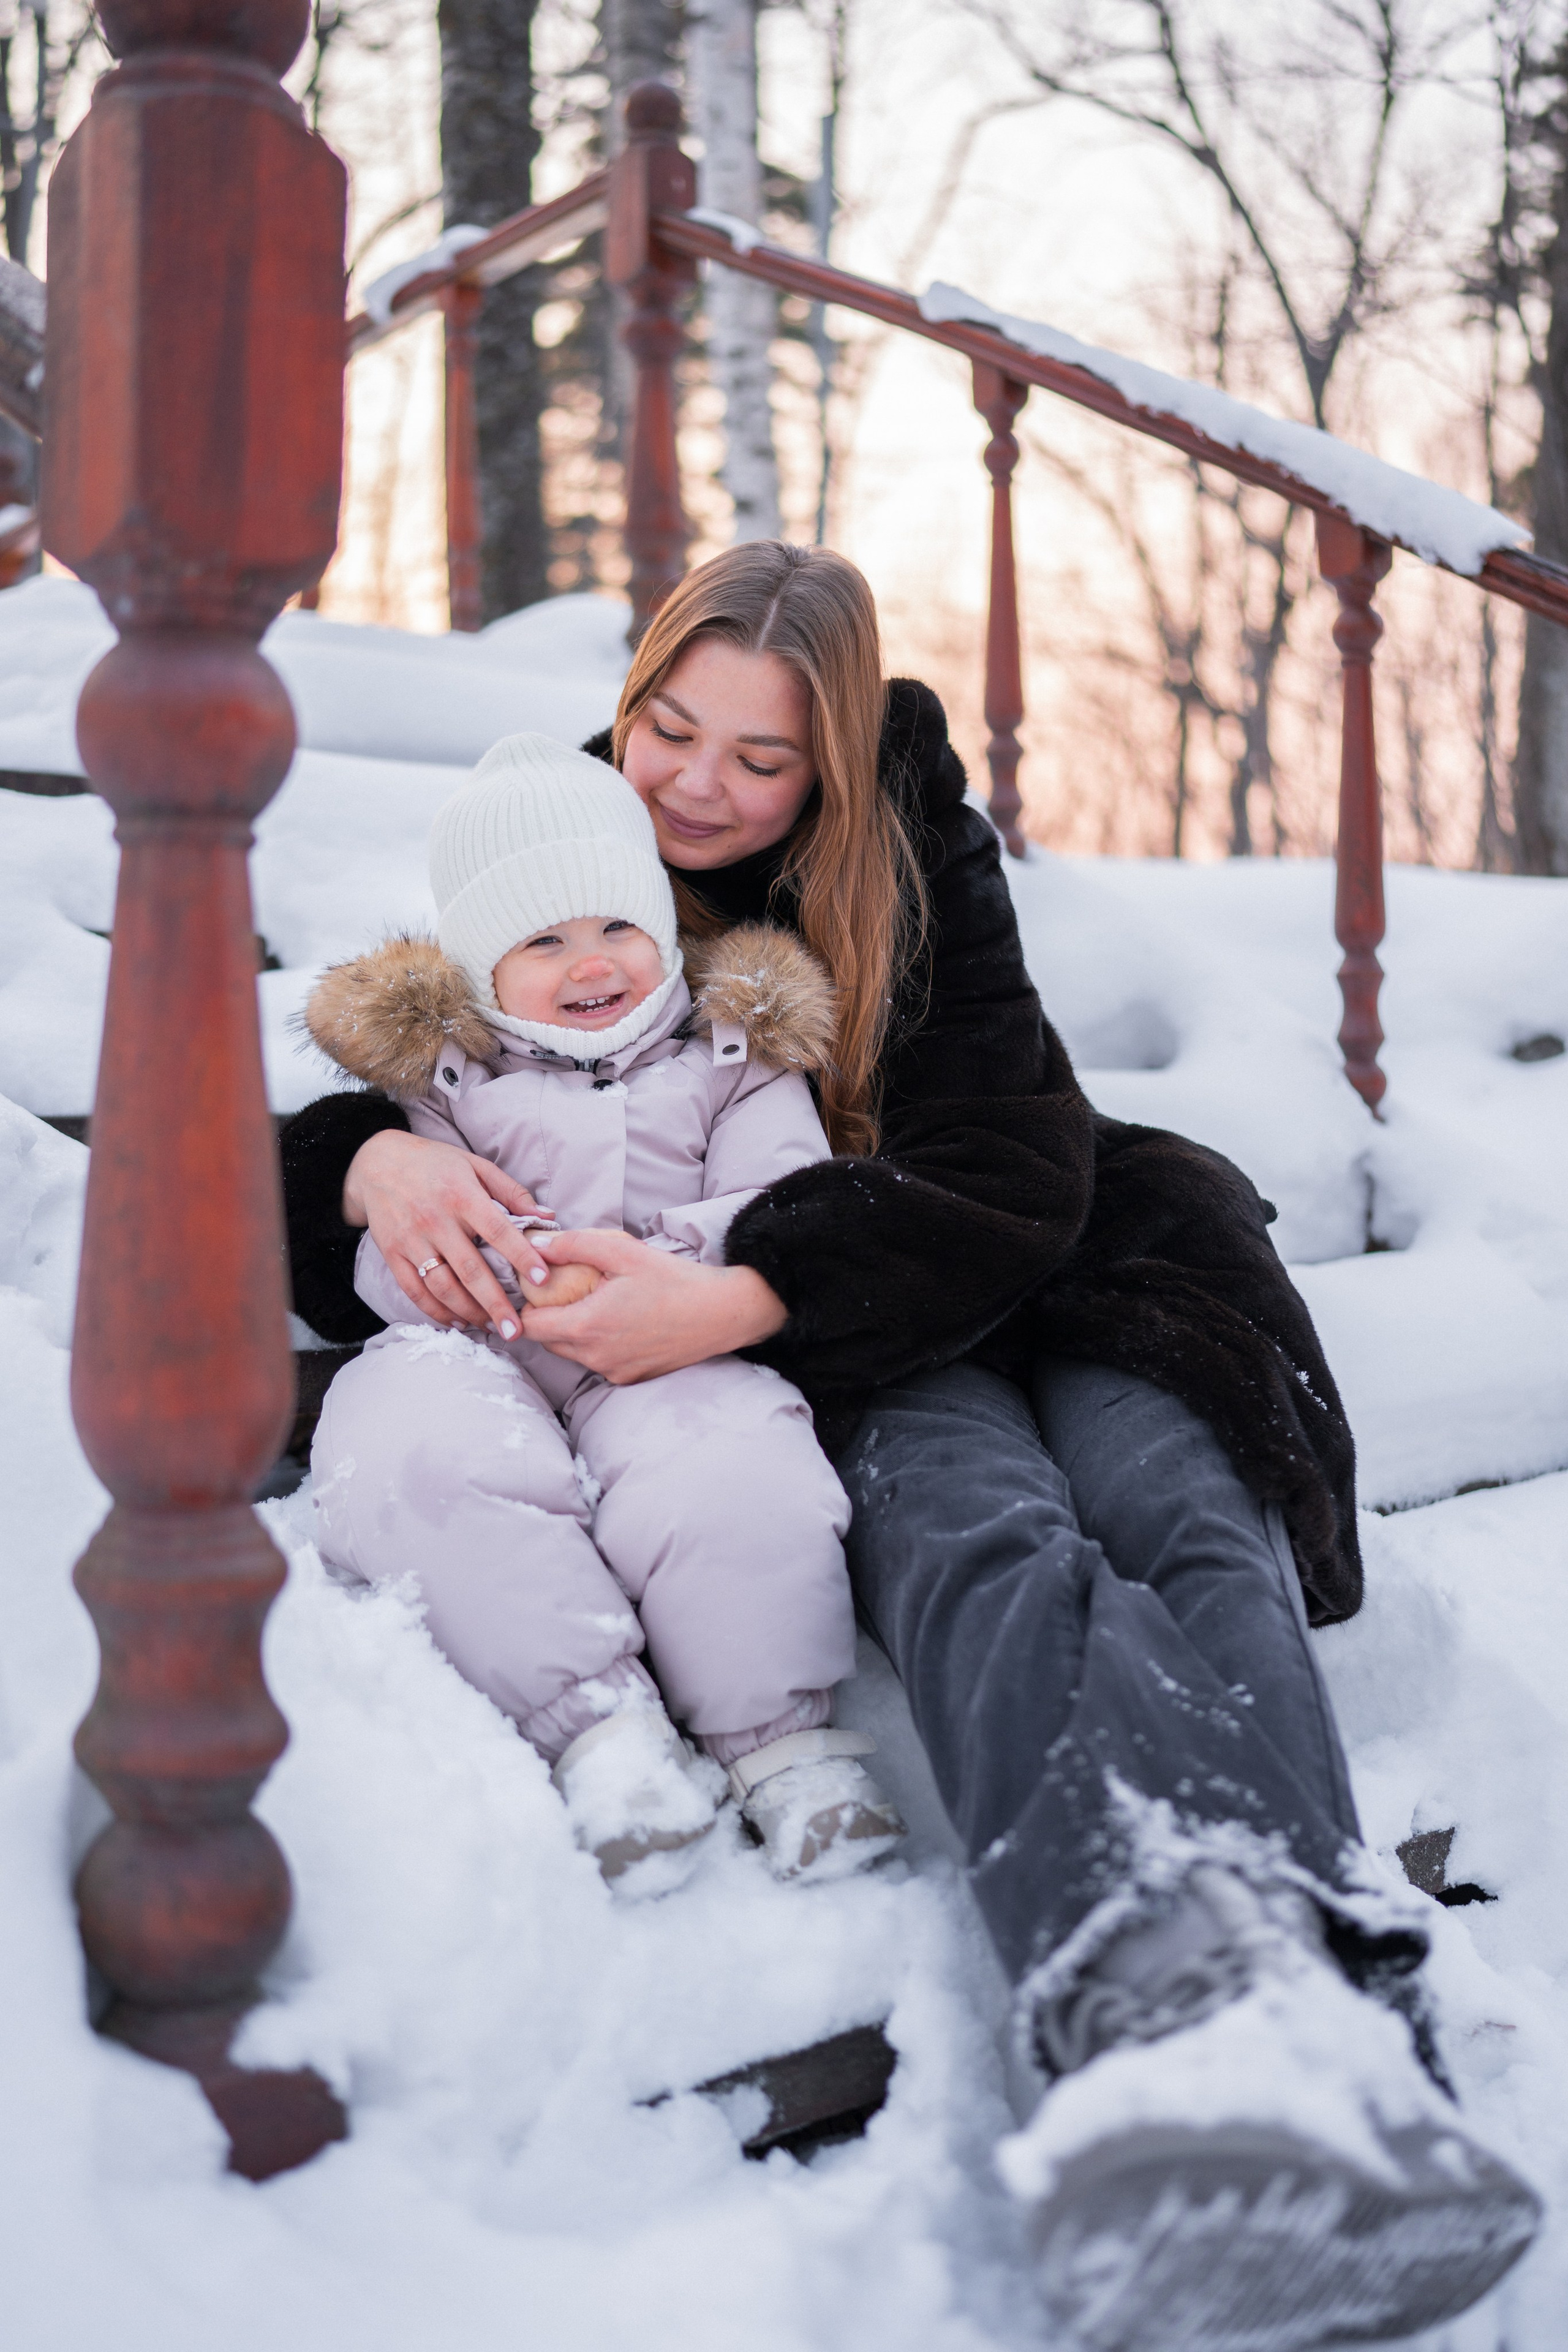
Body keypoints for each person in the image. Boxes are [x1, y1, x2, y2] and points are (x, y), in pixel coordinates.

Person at [280, 542, 1539, 2346]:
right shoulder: (568, 864)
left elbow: (1016, 1174)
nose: (699, 785)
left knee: (1185, 1520)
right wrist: (367, 1161)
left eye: (762, 756)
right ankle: (1175, 2037)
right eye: (670, 728)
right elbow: (399, 1079)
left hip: (1064, 1268)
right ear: (626, 706)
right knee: (987, 1538)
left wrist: (725, 1301)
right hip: (879, 1343)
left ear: (836, 759)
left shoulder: (917, 854)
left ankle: (1331, 2036)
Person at [303, 734, 905, 1892]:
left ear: (664, 932)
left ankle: (779, 1747)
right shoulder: (439, 1083)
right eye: (544, 939)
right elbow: (399, 1243)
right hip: (487, 1342)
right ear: (483, 967)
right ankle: (602, 1734)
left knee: (732, 1469)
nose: (592, 963)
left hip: (672, 1343)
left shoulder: (737, 1059)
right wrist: (494, 1270)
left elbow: (783, 1207)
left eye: (617, 927)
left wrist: (648, 1263)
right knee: (410, 1449)